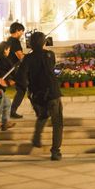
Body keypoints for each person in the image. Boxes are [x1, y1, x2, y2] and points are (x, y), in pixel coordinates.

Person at [21, 32, 63, 161]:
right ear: (43, 42)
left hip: (37, 94)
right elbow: (51, 66)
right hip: (52, 92)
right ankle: (55, 151)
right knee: (57, 123)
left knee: (43, 115)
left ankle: (36, 137)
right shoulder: (49, 55)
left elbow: (22, 77)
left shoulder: (27, 58)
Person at [7, 22, 26, 119]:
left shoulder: (9, 40)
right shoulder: (15, 41)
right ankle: (12, 110)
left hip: (11, 68)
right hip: (16, 69)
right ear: (17, 31)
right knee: (22, 89)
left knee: (22, 89)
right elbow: (20, 56)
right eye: (22, 31)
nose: (22, 33)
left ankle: (11, 110)